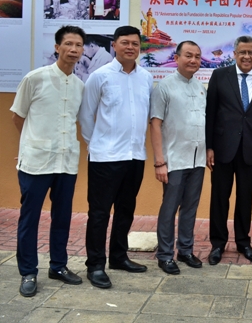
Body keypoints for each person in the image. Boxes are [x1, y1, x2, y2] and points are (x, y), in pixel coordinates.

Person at [10, 26, 86, 297]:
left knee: (62, 217)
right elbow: (18, 117)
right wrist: (31, 144)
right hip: (36, 162)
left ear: (83, 50)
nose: (73, 49)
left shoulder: (79, 86)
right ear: (57, 47)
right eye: (68, 44)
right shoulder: (35, 78)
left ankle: (59, 265)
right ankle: (28, 271)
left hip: (66, 162)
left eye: (78, 45)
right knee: (29, 218)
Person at [79, 26, 153, 289]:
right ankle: (95, 264)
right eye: (125, 43)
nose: (130, 47)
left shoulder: (146, 77)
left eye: (135, 43)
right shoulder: (99, 76)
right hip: (105, 157)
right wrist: (97, 144)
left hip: (135, 156)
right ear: (114, 45)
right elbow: (86, 116)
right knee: (99, 214)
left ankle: (119, 257)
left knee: (126, 210)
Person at [205, 35, 252, 265]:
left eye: (251, 52)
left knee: (245, 198)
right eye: (242, 52)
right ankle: (218, 243)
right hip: (223, 149)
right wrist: (209, 147)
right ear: (234, 54)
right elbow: (211, 114)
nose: (247, 56)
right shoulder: (219, 76)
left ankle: (243, 242)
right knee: (219, 198)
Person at [150, 41, 207, 275]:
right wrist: (159, 161)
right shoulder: (164, 87)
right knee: (169, 208)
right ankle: (165, 255)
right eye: (188, 55)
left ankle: (185, 250)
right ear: (177, 57)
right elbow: (155, 124)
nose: (193, 60)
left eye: (197, 56)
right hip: (173, 160)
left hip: (198, 159)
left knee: (190, 208)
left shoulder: (201, 87)